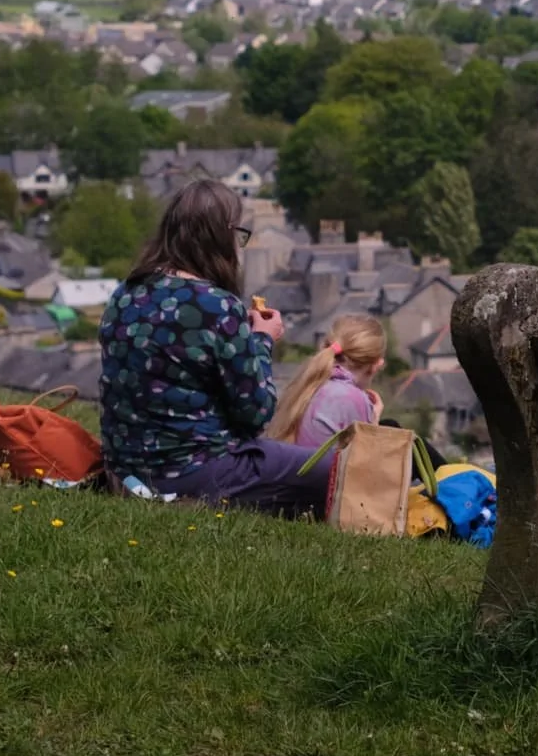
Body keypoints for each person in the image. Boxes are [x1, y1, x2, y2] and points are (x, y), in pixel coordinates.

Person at [97, 179, 329, 518]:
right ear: (220, 237)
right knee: (335, 470)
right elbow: (256, 414)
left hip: (124, 470)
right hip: (192, 472)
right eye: (238, 235)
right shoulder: (217, 306)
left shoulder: (126, 291)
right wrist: (262, 341)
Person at [264, 314, 385, 450]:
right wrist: (373, 423)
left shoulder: (306, 384)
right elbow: (366, 462)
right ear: (376, 366)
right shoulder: (354, 399)